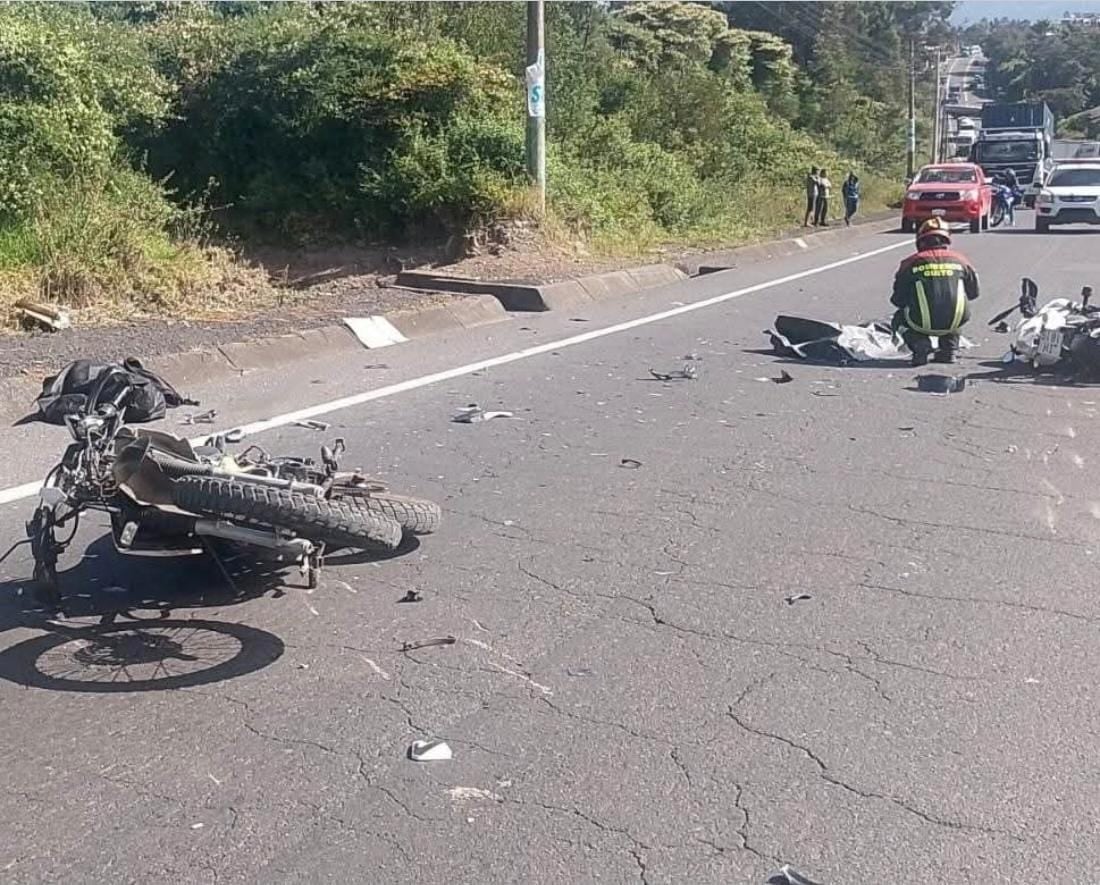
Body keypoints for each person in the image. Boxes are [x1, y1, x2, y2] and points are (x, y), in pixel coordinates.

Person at [890, 217, 980, 366]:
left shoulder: (910, 263)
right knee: (953, 311)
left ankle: (920, 344)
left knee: (898, 319)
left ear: (920, 241)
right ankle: (949, 350)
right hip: (956, 320)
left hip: (920, 322)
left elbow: (898, 300)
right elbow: (974, 293)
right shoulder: (962, 261)